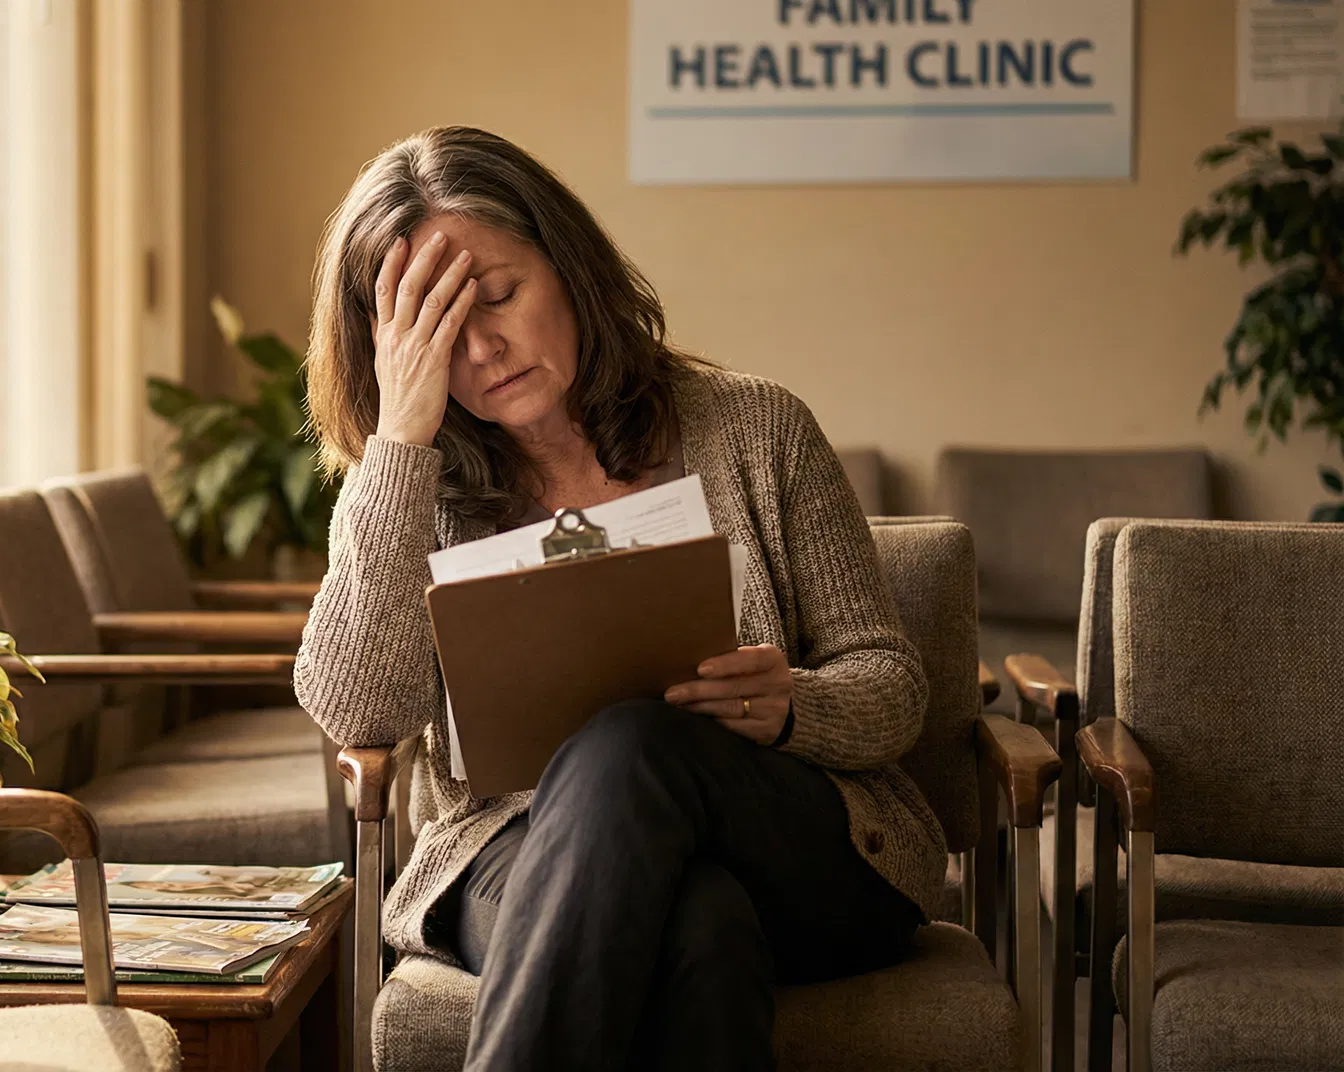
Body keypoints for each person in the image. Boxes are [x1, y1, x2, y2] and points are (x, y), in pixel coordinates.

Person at [294, 126, 944, 1071]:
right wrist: (399, 444)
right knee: (700, 924)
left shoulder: (756, 428)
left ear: (570, 265)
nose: (482, 348)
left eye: (499, 296)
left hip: (799, 845)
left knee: (632, 742)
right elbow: (360, 711)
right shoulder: (403, 488)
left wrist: (794, 706)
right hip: (515, 851)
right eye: (436, 330)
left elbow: (892, 682)